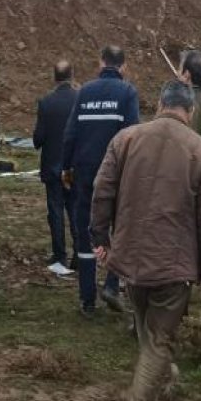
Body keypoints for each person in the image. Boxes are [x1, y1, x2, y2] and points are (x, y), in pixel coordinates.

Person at [91, 80, 201, 401]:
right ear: (190, 111)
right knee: (158, 341)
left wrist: (100, 237)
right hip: (173, 266)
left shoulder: (126, 139)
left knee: (148, 332)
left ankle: (163, 376)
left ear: (159, 104)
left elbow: (102, 191)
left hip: (130, 258)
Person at [61, 46, 139, 314]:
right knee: (119, 228)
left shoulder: (84, 92)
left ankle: (87, 299)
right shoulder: (128, 93)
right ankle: (112, 285)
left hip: (85, 173)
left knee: (85, 229)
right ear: (123, 67)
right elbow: (131, 136)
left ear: (101, 63)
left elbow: (70, 134)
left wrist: (66, 167)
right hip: (116, 175)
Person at [33, 60, 79, 277]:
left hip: (52, 168)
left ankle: (60, 255)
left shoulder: (46, 102)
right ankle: (79, 254)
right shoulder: (80, 99)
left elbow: (38, 138)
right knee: (74, 209)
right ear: (72, 75)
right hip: (71, 168)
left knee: (56, 211)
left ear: (54, 77)